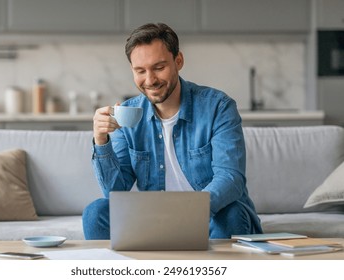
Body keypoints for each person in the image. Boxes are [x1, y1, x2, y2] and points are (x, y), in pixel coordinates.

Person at [83, 22, 262, 239]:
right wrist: (101, 141)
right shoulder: (127, 114)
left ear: (178, 61)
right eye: (140, 71)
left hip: (210, 216)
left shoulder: (218, 106)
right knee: (95, 213)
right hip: (155, 218)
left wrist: (187, 214)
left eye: (159, 68)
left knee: (231, 214)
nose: (150, 80)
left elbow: (230, 177)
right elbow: (115, 192)